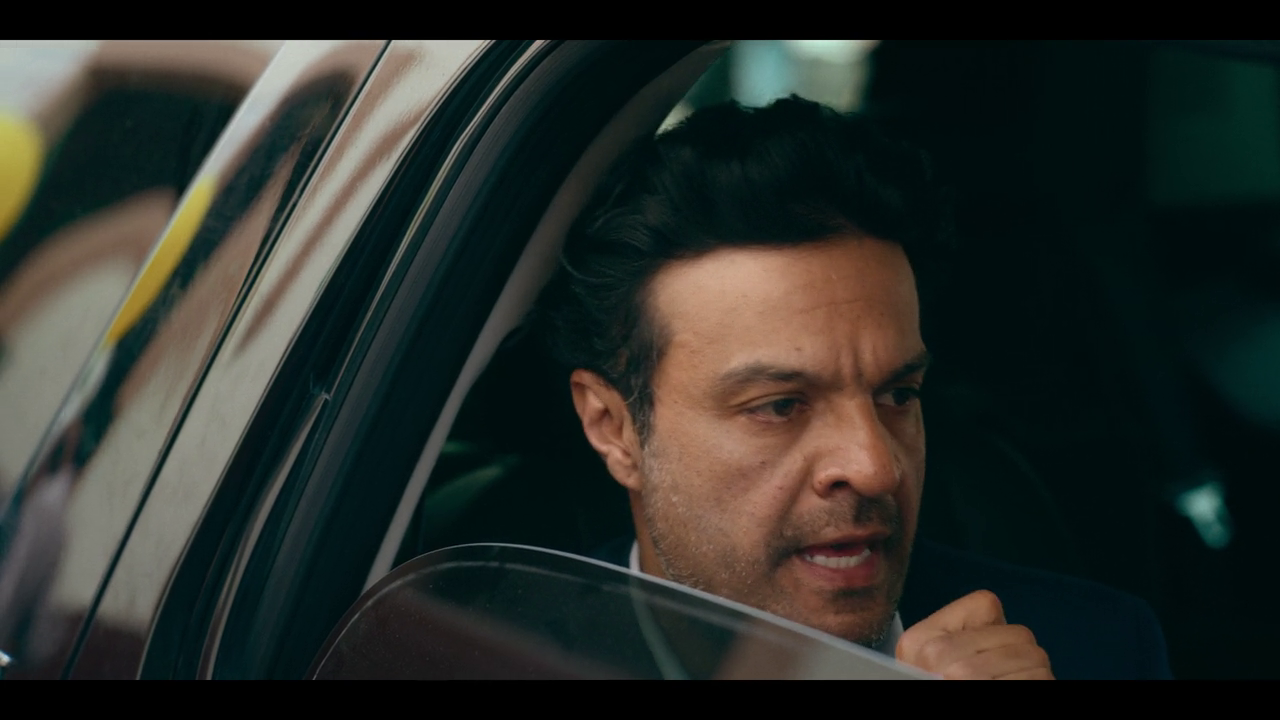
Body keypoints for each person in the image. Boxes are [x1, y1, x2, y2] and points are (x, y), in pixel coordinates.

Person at [532, 95, 1173, 680]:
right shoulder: (495, 655)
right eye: (780, 406)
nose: (875, 468)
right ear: (614, 427)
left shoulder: (1097, 648)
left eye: (898, 395)